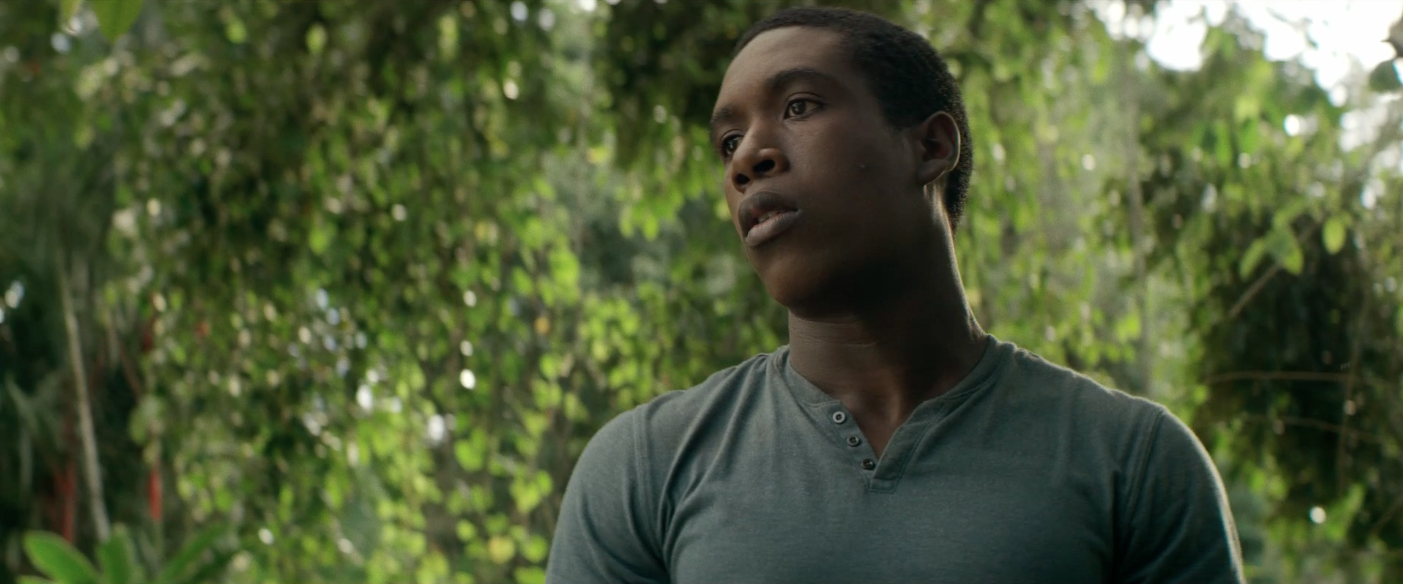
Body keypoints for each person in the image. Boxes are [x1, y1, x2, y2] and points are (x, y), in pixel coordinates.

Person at [545, 6, 1243, 583]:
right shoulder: (645, 468)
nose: (747, 158)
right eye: (728, 142)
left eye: (798, 106)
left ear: (931, 146)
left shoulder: (1134, 464)